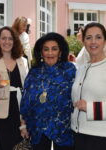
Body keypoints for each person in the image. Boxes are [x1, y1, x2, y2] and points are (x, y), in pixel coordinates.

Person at [20, 32, 76, 150]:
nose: (50, 53)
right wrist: (23, 125)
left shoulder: (70, 70)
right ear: (41, 52)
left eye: (54, 49)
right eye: (46, 49)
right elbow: (26, 100)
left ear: (60, 52)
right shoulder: (34, 72)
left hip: (63, 127)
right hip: (37, 127)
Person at [0, 26, 28, 150]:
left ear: (15, 41)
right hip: (2, 113)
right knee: (4, 145)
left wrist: (26, 118)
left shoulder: (23, 61)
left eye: (10, 39)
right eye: (3, 38)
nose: (7, 42)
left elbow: (27, 89)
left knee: (21, 145)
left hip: (20, 110)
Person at [71, 22, 106, 150]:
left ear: (104, 41)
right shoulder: (81, 68)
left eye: (98, 37)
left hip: (100, 138)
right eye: (88, 37)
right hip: (78, 135)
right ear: (83, 41)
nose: (93, 42)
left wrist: (90, 108)